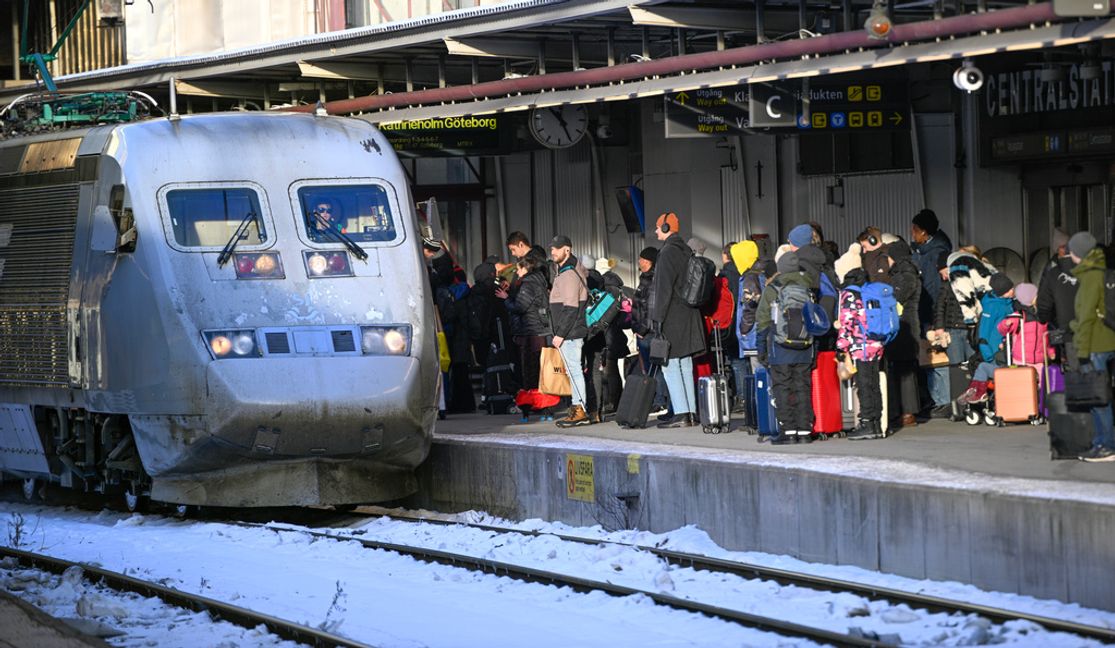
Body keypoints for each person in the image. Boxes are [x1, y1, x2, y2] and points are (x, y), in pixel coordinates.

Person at [650, 212, 706, 428]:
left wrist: (657, 319)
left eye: (658, 227)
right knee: (685, 363)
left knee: (670, 365)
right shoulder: (685, 250)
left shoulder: (667, 253)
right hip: (689, 314)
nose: (656, 230)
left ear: (666, 228)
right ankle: (690, 413)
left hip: (672, 315)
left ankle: (681, 413)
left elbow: (662, 290)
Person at [756, 251, 814, 443]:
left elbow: (763, 320)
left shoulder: (774, 288)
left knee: (782, 387)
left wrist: (761, 349)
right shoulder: (808, 288)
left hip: (780, 347)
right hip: (805, 347)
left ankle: (788, 431)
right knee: (802, 387)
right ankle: (804, 431)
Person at [1068, 232, 1115, 462]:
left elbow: (1086, 316)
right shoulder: (1101, 271)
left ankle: (1106, 446)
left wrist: (1081, 350)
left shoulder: (1090, 277)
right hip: (1107, 340)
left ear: (1078, 253)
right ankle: (1102, 443)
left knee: (1098, 399)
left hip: (1095, 344)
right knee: (1102, 396)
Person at [836, 257, 886, 440]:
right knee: (874, 384)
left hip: (861, 345)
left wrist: (841, 347)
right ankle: (877, 423)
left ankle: (866, 423)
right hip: (877, 343)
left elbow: (847, 322)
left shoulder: (849, 294)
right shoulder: (870, 291)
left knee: (864, 385)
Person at [910, 209, 954, 416]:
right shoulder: (923, 251)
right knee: (928, 356)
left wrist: (936, 317)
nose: (912, 233)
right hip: (926, 309)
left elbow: (935, 288)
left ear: (924, 232)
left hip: (932, 311)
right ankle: (935, 399)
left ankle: (942, 400)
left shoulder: (936, 253)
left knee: (936, 356)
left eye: (915, 230)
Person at [500, 256, 554, 422]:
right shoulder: (540, 282)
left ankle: (530, 408)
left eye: (518, 269)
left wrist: (506, 298)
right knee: (542, 372)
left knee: (529, 373)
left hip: (530, 332)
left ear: (526, 269)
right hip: (540, 331)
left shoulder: (527, 284)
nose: (517, 272)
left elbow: (520, 307)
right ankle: (545, 408)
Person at [548, 235, 591, 427]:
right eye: (552, 249)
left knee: (574, 370)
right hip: (572, 332)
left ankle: (579, 410)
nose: (553, 252)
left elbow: (571, 307)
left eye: (556, 248)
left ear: (567, 250)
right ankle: (579, 409)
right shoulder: (570, 271)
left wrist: (560, 334)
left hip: (570, 333)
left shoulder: (568, 274)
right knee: (575, 370)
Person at [956, 273, 1017, 406]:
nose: (1013, 290)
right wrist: (988, 355)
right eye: (1009, 289)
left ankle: (977, 391)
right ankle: (978, 393)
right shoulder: (992, 306)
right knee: (996, 374)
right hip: (995, 351)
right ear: (1002, 292)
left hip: (1008, 348)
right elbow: (984, 332)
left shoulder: (1009, 303)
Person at [885, 239, 922, 429]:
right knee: (904, 368)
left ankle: (907, 412)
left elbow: (896, 298)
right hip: (907, 325)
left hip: (903, 326)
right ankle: (904, 410)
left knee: (904, 369)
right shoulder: (909, 273)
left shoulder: (905, 275)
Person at [632, 246, 671, 415]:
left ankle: (660, 401)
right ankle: (657, 399)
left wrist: (642, 329)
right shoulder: (645, 278)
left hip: (649, 333)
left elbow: (651, 308)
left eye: (641, 259)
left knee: (655, 368)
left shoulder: (652, 280)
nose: (639, 262)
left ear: (648, 261)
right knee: (651, 368)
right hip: (644, 332)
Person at [1036, 228, 1078, 356]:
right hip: (1059, 321)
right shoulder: (1052, 268)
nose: (1066, 249)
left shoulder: (1056, 268)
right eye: (1063, 247)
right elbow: (1045, 296)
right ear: (1057, 249)